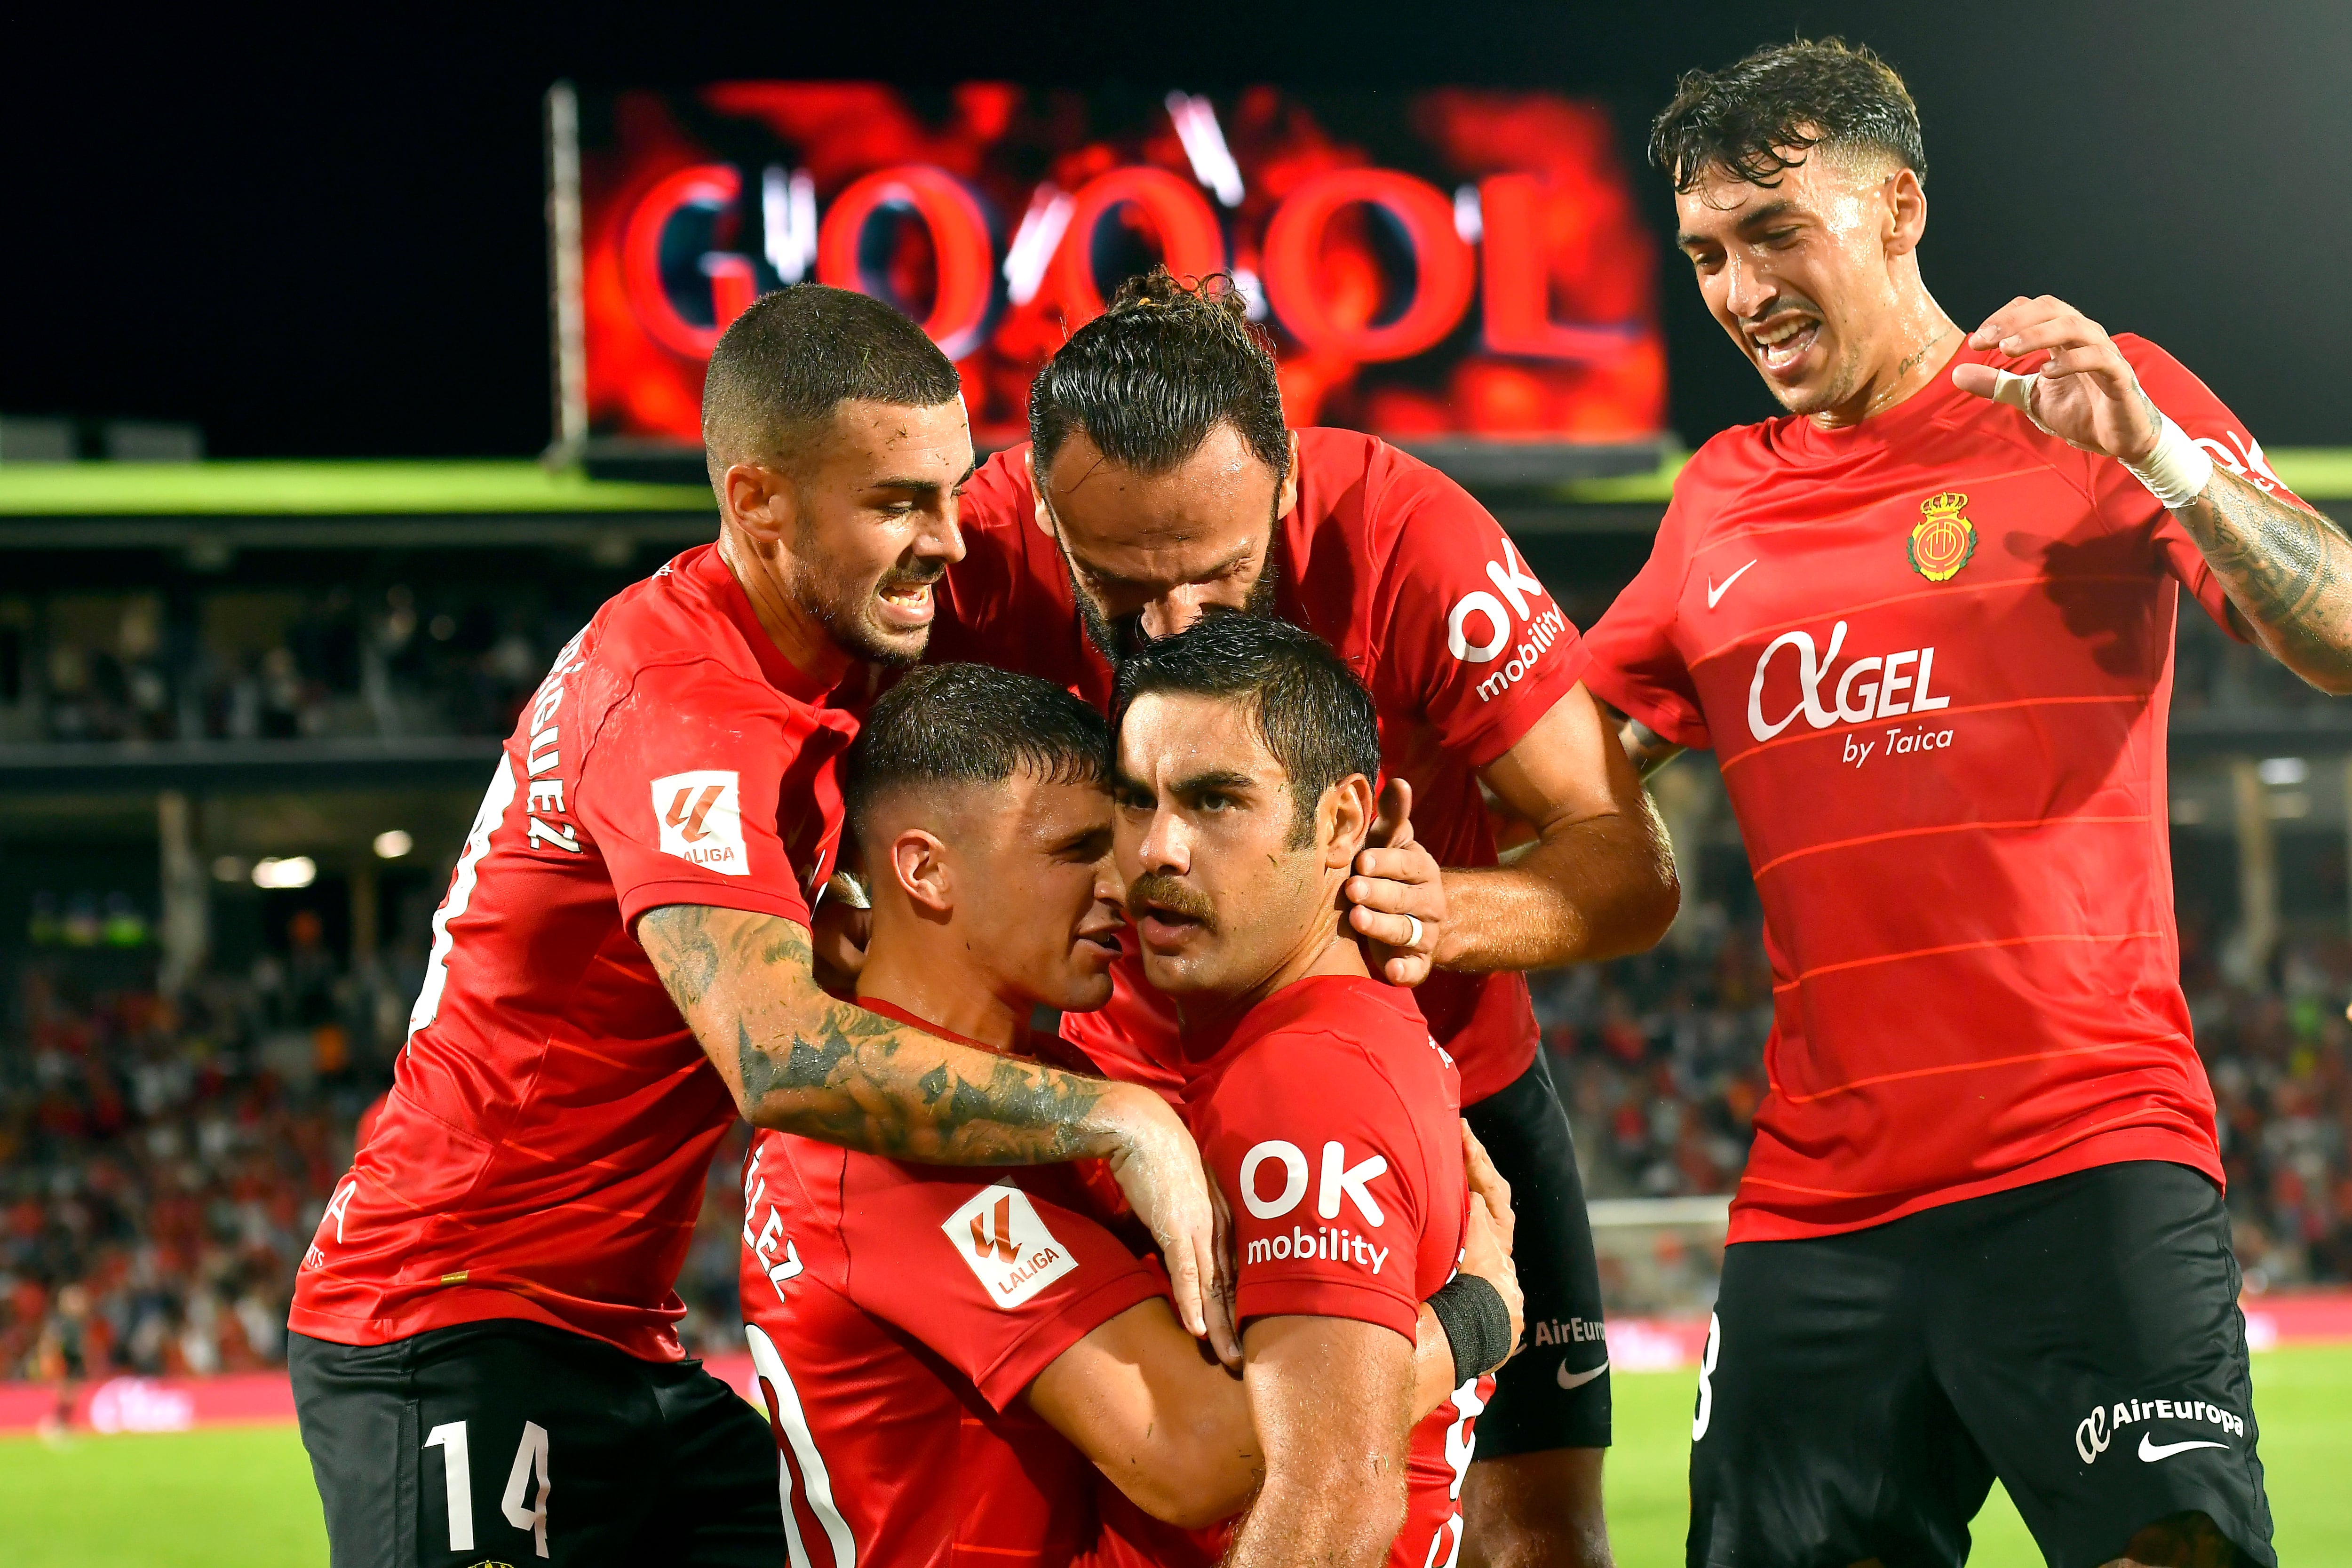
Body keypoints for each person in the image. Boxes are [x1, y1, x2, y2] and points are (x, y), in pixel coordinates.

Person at [285, 285, 1226, 1568]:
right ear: (758, 502)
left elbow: (1098, 484)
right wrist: (1118, 1116)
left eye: (952, 490)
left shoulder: (825, 641)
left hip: (626, 1333)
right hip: (450, 1316)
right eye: (899, 502)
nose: (950, 541)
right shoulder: (680, 702)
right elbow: (779, 1052)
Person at [1582, 39, 2344, 1568]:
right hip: (1818, 1206)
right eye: (1708, 253)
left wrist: (2163, 459)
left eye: (1775, 233)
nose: (1741, 291)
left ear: (1901, 208)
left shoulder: (2088, 399)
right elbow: (1547, 760)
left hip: (2089, 1158)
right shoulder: (1718, 497)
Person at [928, 269, 1680, 1568]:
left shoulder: (1409, 537)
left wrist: (1449, 909)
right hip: (1130, 1114)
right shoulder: (970, 549)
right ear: (1044, 509)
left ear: (1283, 487)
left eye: (1220, 574)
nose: (1173, 626)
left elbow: (1630, 863)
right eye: (1119, 584)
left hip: (1443, 1099)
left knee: (1537, 1537)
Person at [738, 660, 1521, 1567]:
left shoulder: (1050, 1086)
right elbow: (1197, 1453)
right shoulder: (879, 1150)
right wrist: (1471, 1319)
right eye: (1075, 850)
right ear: (926, 870)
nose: (1125, 879)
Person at [1107, 614, 1510, 1568]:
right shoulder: (1314, 1040)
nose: (1158, 848)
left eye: (1214, 800)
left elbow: (1333, 1505)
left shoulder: (1308, 1083)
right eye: (1135, 799)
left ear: (1338, 823)